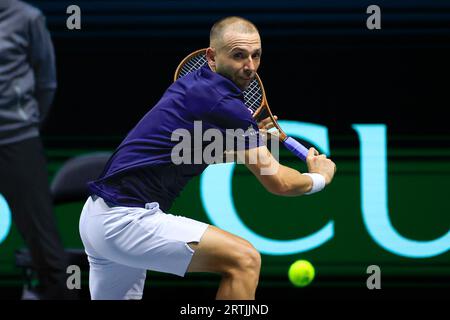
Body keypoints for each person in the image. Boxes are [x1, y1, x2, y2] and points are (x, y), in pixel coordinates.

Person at [79, 16, 336, 300]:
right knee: (244, 260)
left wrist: (250, 142)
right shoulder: (226, 106)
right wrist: (319, 177)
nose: (249, 66)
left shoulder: (196, 82)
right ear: (212, 56)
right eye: (238, 56)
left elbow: (184, 152)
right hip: (127, 221)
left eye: (256, 55)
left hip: (98, 219)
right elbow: (279, 183)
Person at [0, 0, 75, 299]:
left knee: (44, 244)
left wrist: (25, 124)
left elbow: (47, 82)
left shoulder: (27, 17)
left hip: (16, 139)